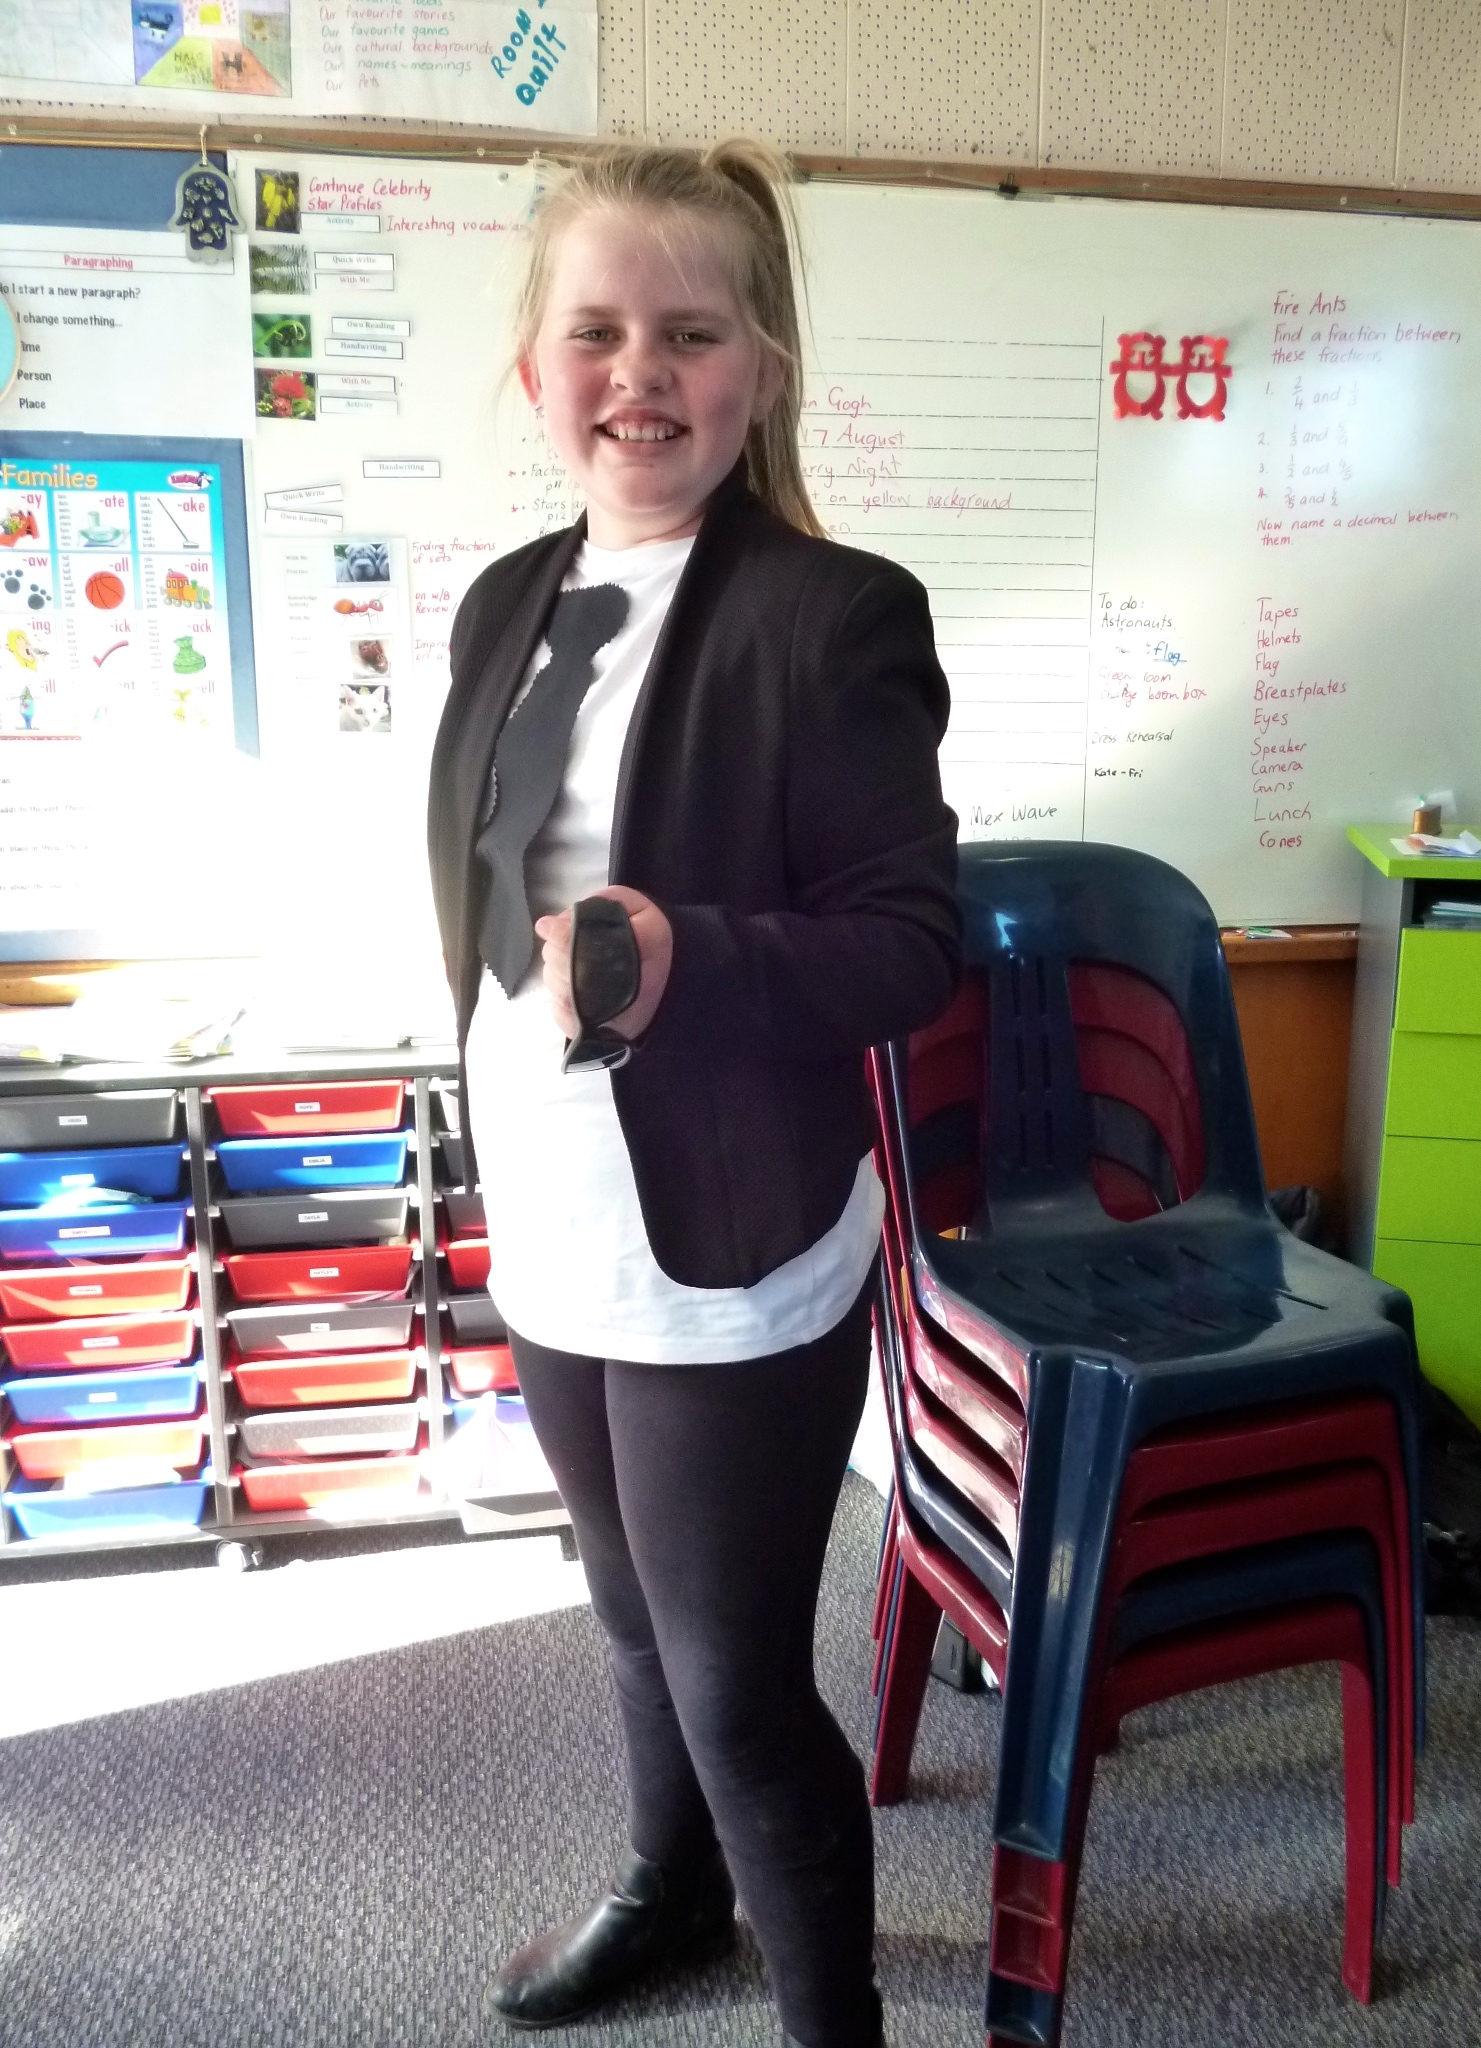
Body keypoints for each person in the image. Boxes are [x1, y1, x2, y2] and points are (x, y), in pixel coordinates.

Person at [426, 137, 960, 2048]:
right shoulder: (503, 602)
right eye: (596, 331)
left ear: (761, 371)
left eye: (689, 333)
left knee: (734, 1680)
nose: (637, 371)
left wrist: (691, 956)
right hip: (553, 1194)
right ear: (535, 370)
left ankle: (832, 2022)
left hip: (728, 1222)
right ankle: (672, 1896)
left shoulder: (834, 615)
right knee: (627, 1611)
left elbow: (911, 949)